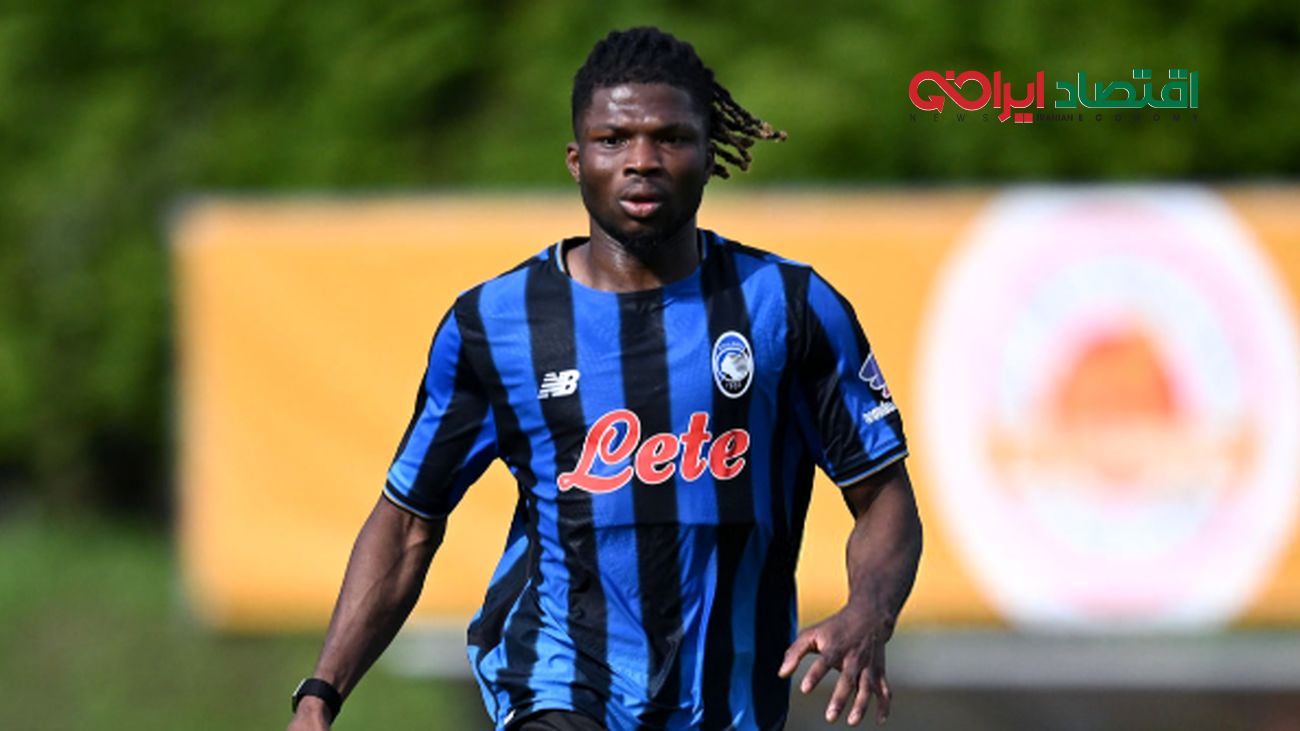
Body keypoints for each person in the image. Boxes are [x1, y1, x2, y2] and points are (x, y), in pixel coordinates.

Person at [288, 26, 922, 731]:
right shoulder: (495, 323)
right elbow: (409, 520)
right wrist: (321, 693)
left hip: (728, 704)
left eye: (670, 138)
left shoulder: (791, 308)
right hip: (557, 683)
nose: (641, 161)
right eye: (613, 139)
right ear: (576, 159)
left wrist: (871, 610)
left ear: (708, 153)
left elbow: (882, 495)